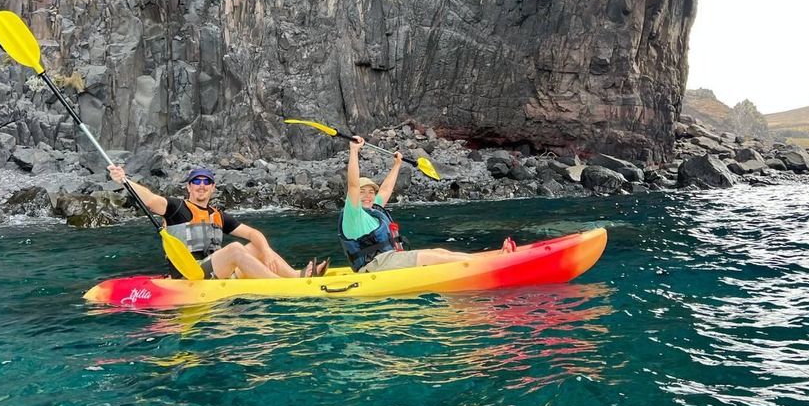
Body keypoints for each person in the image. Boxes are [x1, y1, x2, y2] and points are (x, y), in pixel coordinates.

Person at [107, 164, 327, 279]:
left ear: (212, 188)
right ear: (189, 187)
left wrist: (266, 252)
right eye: (196, 182)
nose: (201, 185)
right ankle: (280, 286)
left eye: (206, 182)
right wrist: (125, 180)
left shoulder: (218, 215)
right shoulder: (175, 208)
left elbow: (253, 234)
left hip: (213, 270)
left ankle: (296, 276)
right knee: (235, 248)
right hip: (189, 274)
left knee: (255, 246)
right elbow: (149, 199)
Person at [337, 136, 513, 272]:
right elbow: (353, 185)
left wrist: (397, 165)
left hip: (388, 259)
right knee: (431, 257)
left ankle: (494, 256)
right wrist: (354, 151)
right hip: (373, 266)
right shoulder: (353, 213)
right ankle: (495, 263)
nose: (368, 196)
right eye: (362, 192)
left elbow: (384, 190)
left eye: (370, 192)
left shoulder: (372, 209)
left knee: (440, 252)